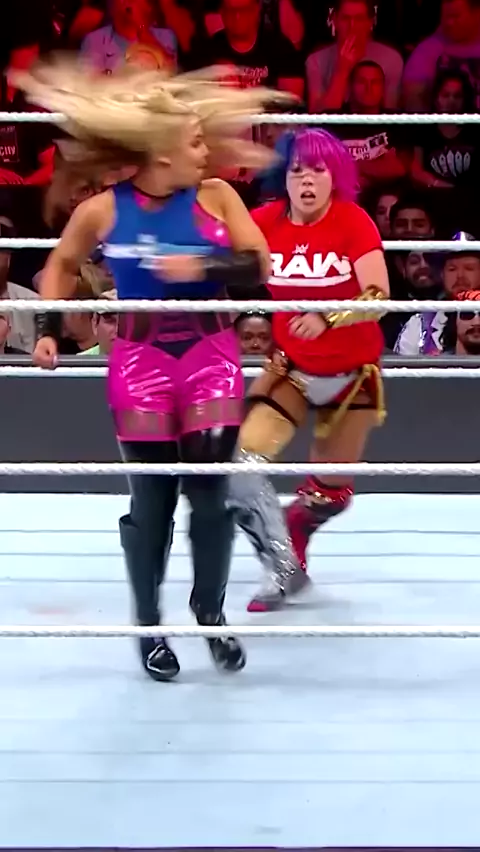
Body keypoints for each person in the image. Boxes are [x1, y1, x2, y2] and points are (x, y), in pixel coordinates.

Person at [15, 59, 281, 680]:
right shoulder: (104, 211)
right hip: (140, 363)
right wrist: (49, 328)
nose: (206, 152)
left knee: (210, 494)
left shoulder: (217, 196)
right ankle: (149, 624)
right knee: (153, 501)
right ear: (162, 153)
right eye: (195, 142)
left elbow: (259, 264)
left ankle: (209, 612)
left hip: (211, 357)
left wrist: (204, 269)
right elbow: (61, 264)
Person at [228, 129, 389, 612]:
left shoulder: (353, 221)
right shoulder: (264, 222)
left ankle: (297, 524)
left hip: (352, 376)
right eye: (297, 169)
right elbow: (216, 246)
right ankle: (282, 565)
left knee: (331, 493)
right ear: (284, 176)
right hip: (291, 368)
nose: (307, 180)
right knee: (240, 466)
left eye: (318, 170)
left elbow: (379, 295)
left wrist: (328, 317)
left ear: (335, 176)